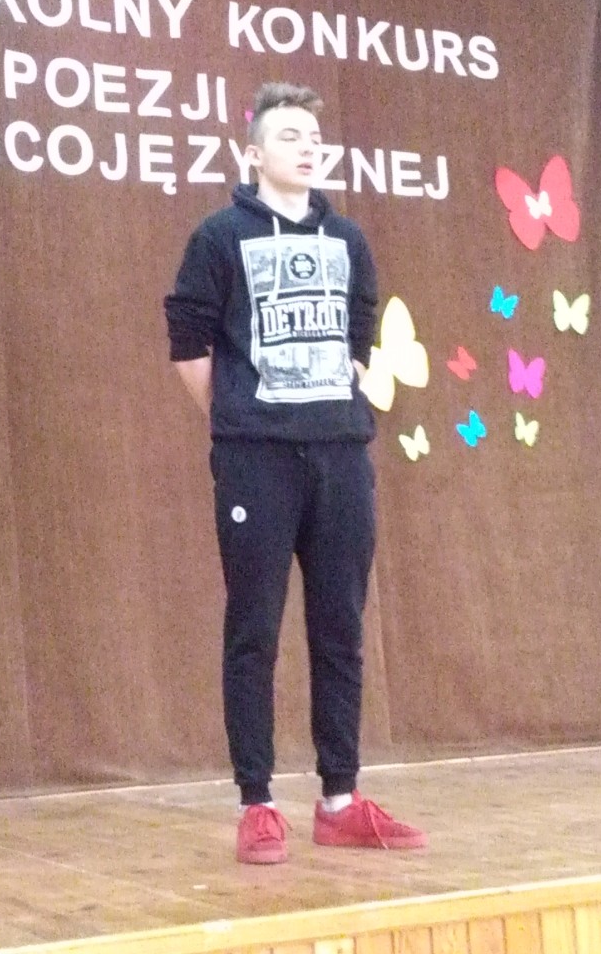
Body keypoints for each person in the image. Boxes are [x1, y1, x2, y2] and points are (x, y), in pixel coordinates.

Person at [165, 83, 427, 864]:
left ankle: (340, 799)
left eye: (314, 135)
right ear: (253, 153)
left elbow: (359, 331)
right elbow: (188, 342)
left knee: (340, 628)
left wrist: (326, 408)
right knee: (254, 629)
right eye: (289, 135)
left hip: (340, 455)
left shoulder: (347, 238)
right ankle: (257, 801)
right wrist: (244, 417)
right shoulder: (219, 236)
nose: (307, 146)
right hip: (255, 458)